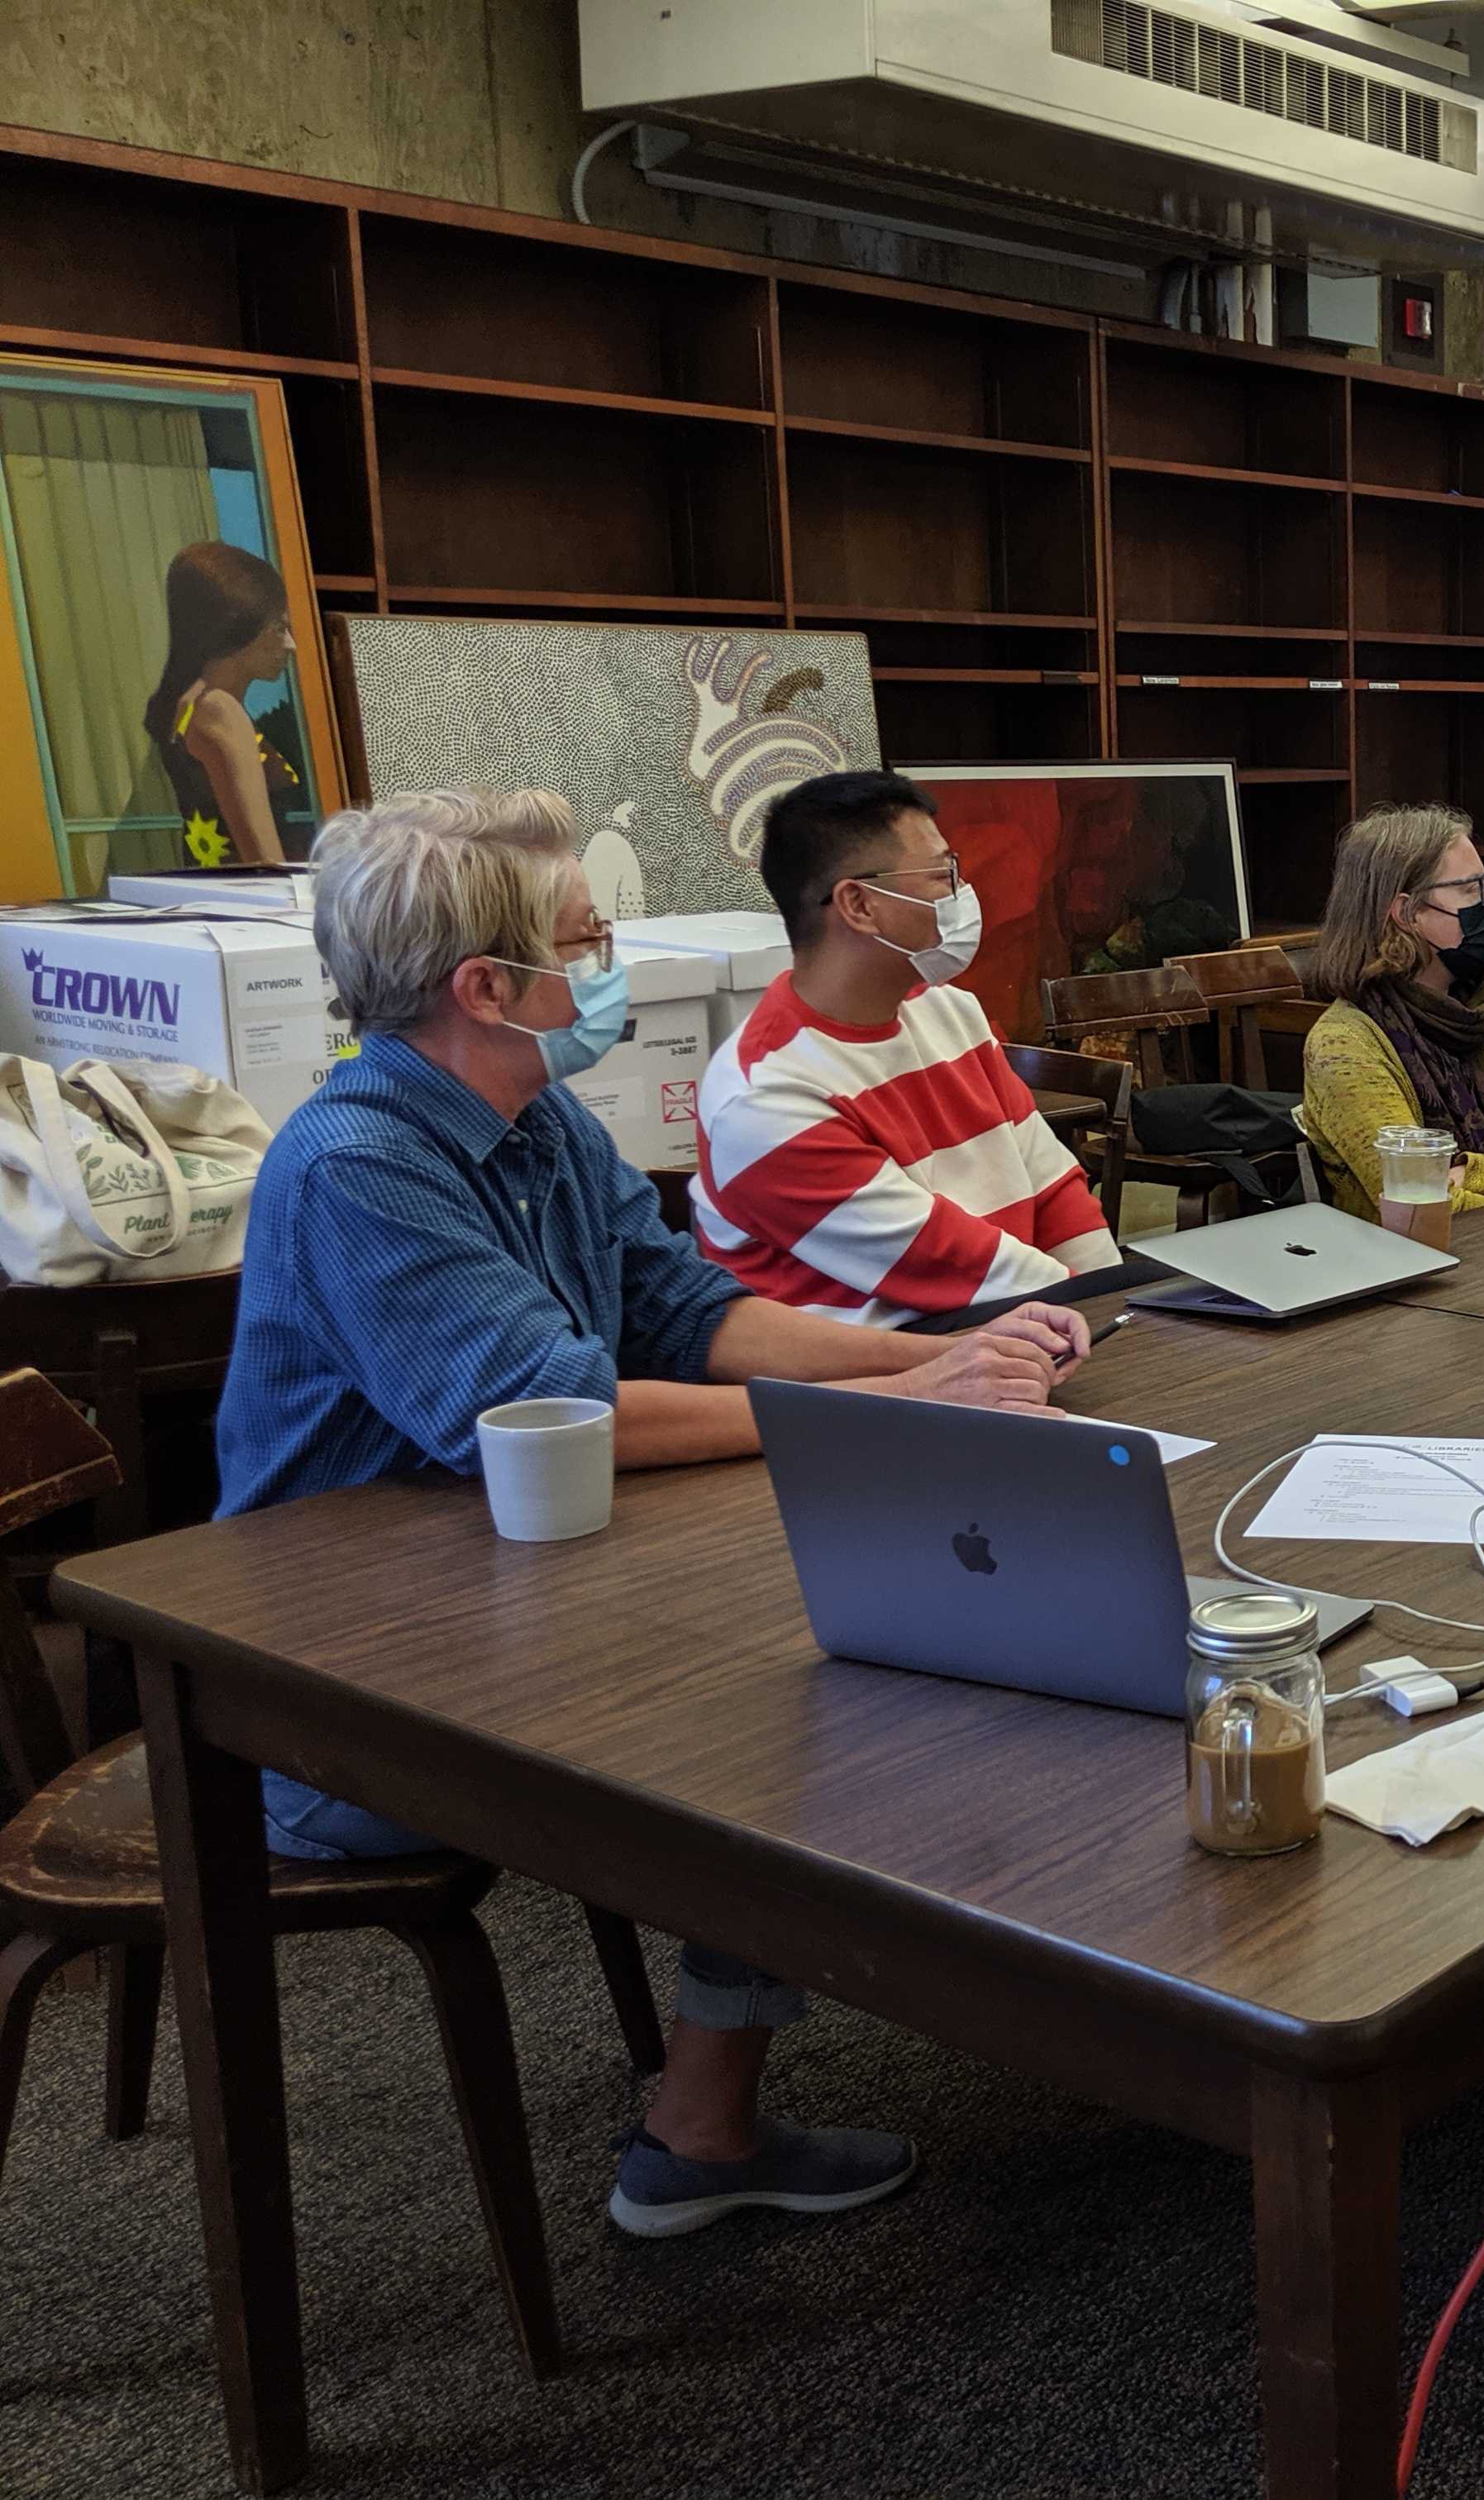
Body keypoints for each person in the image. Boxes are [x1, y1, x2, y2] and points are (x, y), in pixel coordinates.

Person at [219, 786, 1095, 2237]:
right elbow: (560, 1405)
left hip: (499, 1582)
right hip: (338, 1696)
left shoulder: (534, 1112)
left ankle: (710, 2109)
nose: (611, 961)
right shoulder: (362, 1161)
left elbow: (687, 1315)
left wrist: (941, 1357)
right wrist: (906, 1399)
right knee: (801, 1686)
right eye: (590, 939)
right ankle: (701, 2128)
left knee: (820, 1639)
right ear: (486, 988)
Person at [693, 771, 1119, 1326]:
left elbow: (1052, 1187)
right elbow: (951, 1261)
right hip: (886, 1387)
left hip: (1018, 1335)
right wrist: (1091, 1316)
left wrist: (1117, 1307)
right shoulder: (764, 1098)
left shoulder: (952, 1013)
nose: (963, 894)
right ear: (860, 905)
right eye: (943, 875)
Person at [1298, 803, 1484, 1219]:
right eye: (1472, 889)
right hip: (1411, 1271)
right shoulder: (1346, 1044)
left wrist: (1474, 1173)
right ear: (1407, 914)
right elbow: (1425, 1205)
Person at [136, 541, 305, 871]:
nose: (291, 645)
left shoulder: (190, 704)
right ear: (239, 628)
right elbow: (264, 860)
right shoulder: (221, 712)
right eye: (279, 628)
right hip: (259, 904)